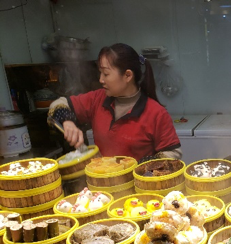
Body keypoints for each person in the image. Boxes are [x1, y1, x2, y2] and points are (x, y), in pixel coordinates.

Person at [48, 43, 182, 163]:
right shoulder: (97, 99)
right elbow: (59, 103)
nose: (101, 79)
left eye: (106, 74)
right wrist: (67, 121)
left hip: (139, 187)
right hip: (102, 184)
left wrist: (142, 165)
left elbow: (173, 153)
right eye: (100, 73)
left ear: (128, 76)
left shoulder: (156, 113)